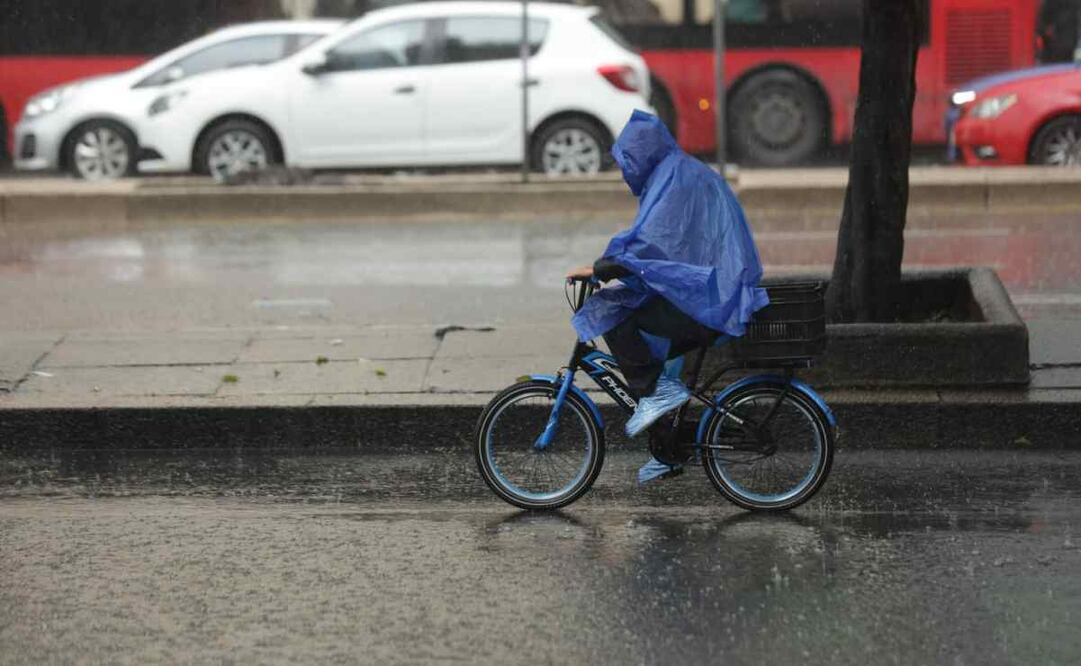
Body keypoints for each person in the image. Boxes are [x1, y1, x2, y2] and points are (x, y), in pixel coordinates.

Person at [566, 110, 768, 483]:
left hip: (709, 301)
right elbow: (665, 249)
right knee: (649, 340)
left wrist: (601, 269)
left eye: (628, 162)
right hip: (709, 292)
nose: (627, 172)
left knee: (619, 317)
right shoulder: (676, 171)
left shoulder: (674, 178)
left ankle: (658, 397)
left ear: (642, 154)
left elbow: (652, 244)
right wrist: (614, 268)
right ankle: (667, 448)